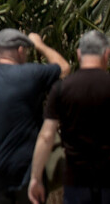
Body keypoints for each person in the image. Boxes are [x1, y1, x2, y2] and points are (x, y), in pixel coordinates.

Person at [0, 28, 70, 203]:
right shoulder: (31, 74)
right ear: (20, 50)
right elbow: (64, 67)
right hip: (26, 171)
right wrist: (39, 45)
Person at [28, 30, 110, 204]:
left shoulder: (61, 89)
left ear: (79, 53)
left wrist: (35, 177)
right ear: (106, 54)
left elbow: (46, 136)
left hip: (76, 182)